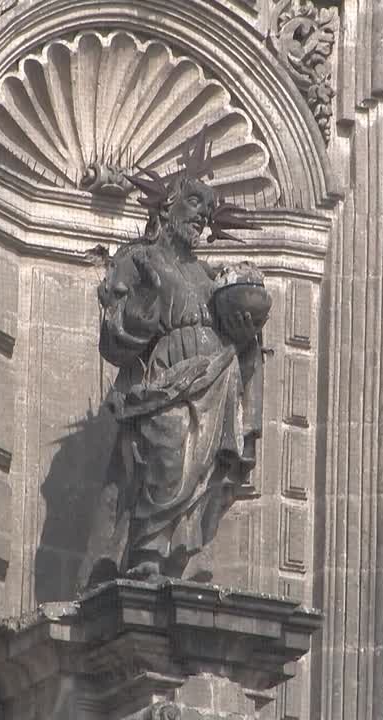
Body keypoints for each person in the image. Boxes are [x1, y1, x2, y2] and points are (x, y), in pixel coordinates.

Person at [84, 137, 266, 583]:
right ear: (167, 208)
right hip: (164, 379)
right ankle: (147, 551)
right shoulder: (140, 259)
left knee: (202, 474)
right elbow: (113, 333)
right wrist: (143, 313)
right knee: (165, 454)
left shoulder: (210, 277)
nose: (201, 217)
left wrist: (245, 336)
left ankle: (177, 556)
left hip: (215, 382)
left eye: (207, 212)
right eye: (193, 205)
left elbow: (240, 338)